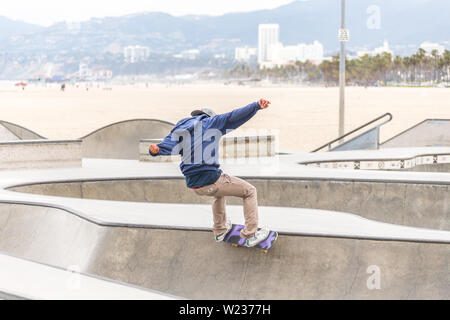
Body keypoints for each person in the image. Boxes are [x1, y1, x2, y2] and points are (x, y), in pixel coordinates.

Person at [149, 99, 271, 246]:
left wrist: (157, 150)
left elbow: (169, 143)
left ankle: (219, 231)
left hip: (195, 185)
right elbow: (234, 116)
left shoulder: (182, 128)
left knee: (218, 194)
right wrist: (256, 106)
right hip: (210, 178)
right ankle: (250, 235)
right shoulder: (212, 123)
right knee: (250, 191)